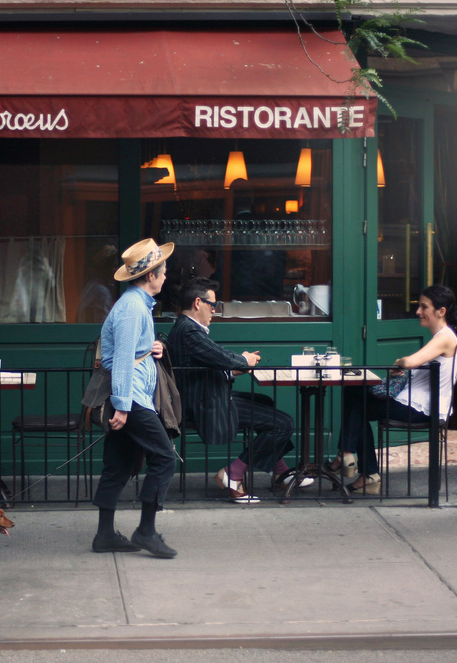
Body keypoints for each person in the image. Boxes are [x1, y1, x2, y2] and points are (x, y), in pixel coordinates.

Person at [168, 277, 309, 503]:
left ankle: (280, 471)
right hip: (204, 405)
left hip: (203, 396)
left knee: (264, 402)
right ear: (198, 303)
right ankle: (233, 474)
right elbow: (222, 357)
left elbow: (210, 363)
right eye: (212, 305)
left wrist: (234, 369)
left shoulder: (186, 328)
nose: (214, 310)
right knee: (283, 423)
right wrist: (243, 360)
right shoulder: (189, 331)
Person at [327, 285, 457, 494]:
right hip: (414, 403)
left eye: (424, 307)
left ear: (441, 311)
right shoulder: (440, 337)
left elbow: (409, 362)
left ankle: (349, 458)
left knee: (358, 403)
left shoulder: (445, 337)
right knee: (355, 394)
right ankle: (359, 467)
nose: (418, 311)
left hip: (422, 408)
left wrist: (399, 362)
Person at [90, 238, 178, 559]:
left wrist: (153, 346)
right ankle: (146, 531)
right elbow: (123, 360)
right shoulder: (132, 308)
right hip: (132, 400)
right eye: (163, 272)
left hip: (130, 398)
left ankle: (104, 536)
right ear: (150, 275)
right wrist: (123, 407)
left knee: (118, 465)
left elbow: (131, 350)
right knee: (164, 458)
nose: (166, 277)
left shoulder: (135, 306)